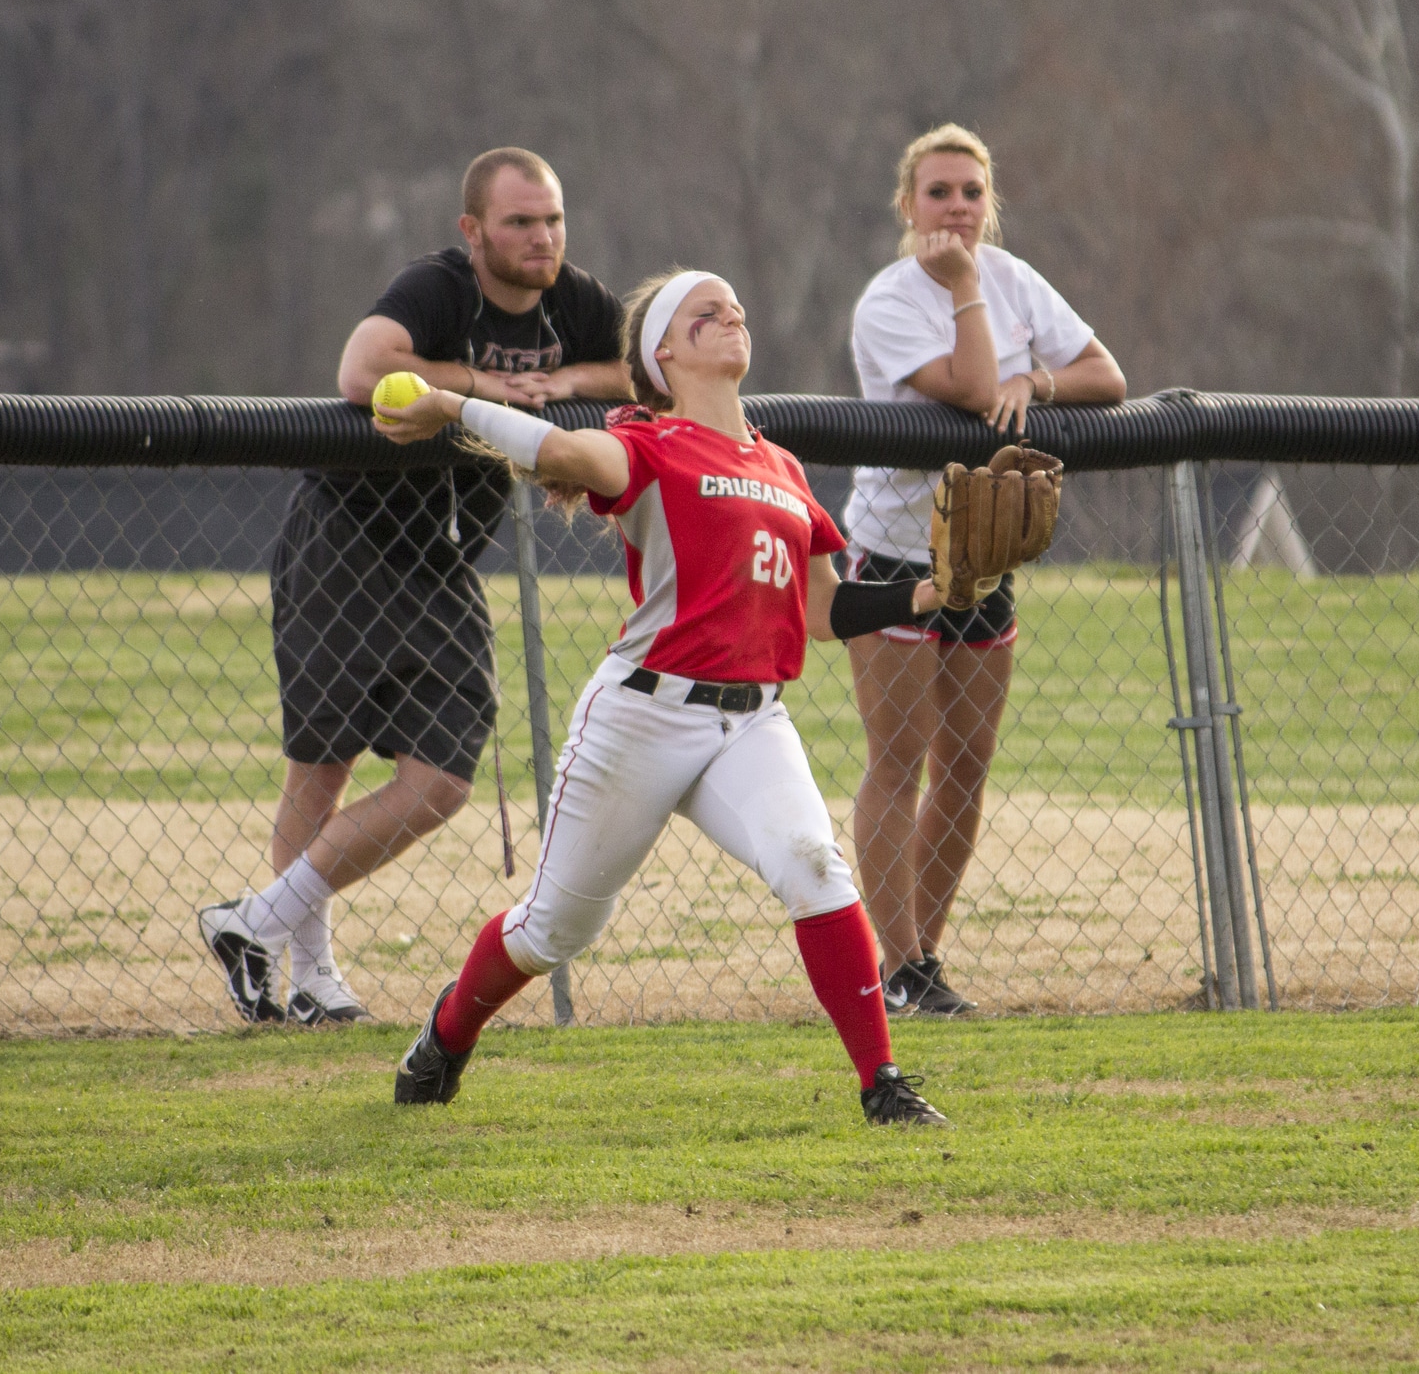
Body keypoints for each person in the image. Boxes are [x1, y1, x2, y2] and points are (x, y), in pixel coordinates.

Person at [376, 268, 954, 1124]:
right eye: (705, 313)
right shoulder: (649, 443)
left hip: (752, 716)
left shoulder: (782, 466)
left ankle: (883, 1085)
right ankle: (447, 1034)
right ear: (665, 354)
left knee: (813, 862)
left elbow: (826, 610)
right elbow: (563, 454)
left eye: (735, 306)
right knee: (551, 931)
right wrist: (450, 406)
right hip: (641, 715)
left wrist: (929, 594)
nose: (732, 316)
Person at [199, 148, 634, 1026]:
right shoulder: (435, 287)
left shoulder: (574, 300)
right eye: (519, 222)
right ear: (473, 231)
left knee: (441, 778)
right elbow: (362, 369)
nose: (541, 236)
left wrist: (563, 383)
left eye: (551, 219)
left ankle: (252, 923)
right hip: (348, 538)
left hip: (442, 560)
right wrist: (479, 385)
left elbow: (639, 374)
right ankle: (309, 976)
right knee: (321, 770)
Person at [841, 124, 1125, 1017]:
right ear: (907, 205)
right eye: (939, 192)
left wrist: (1036, 384)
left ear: (989, 199)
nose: (957, 207)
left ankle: (921, 962)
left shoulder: (1016, 278)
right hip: (895, 553)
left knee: (966, 761)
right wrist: (964, 286)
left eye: (971, 191)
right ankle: (894, 962)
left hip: (982, 555)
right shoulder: (889, 301)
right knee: (901, 759)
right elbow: (969, 387)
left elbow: (1107, 376)